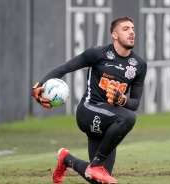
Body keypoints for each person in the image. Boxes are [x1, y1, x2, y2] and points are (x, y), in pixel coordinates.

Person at [31, 16, 147, 184]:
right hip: (88, 111)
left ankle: (66, 159)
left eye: (133, 29)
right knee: (128, 118)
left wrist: (122, 100)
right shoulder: (97, 53)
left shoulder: (139, 64)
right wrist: (39, 86)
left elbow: (135, 103)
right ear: (114, 35)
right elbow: (65, 67)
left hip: (110, 122)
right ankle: (97, 164)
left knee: (100, 181)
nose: (131, 33)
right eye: (126, 29)